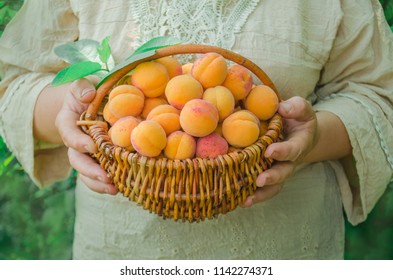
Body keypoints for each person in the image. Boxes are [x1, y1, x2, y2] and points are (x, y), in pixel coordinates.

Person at [0, 0, 392, 260]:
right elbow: (11, 81)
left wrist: (312, 138)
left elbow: (378, 94)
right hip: (121, 250)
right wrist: (70, 112)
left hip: (286, 248)